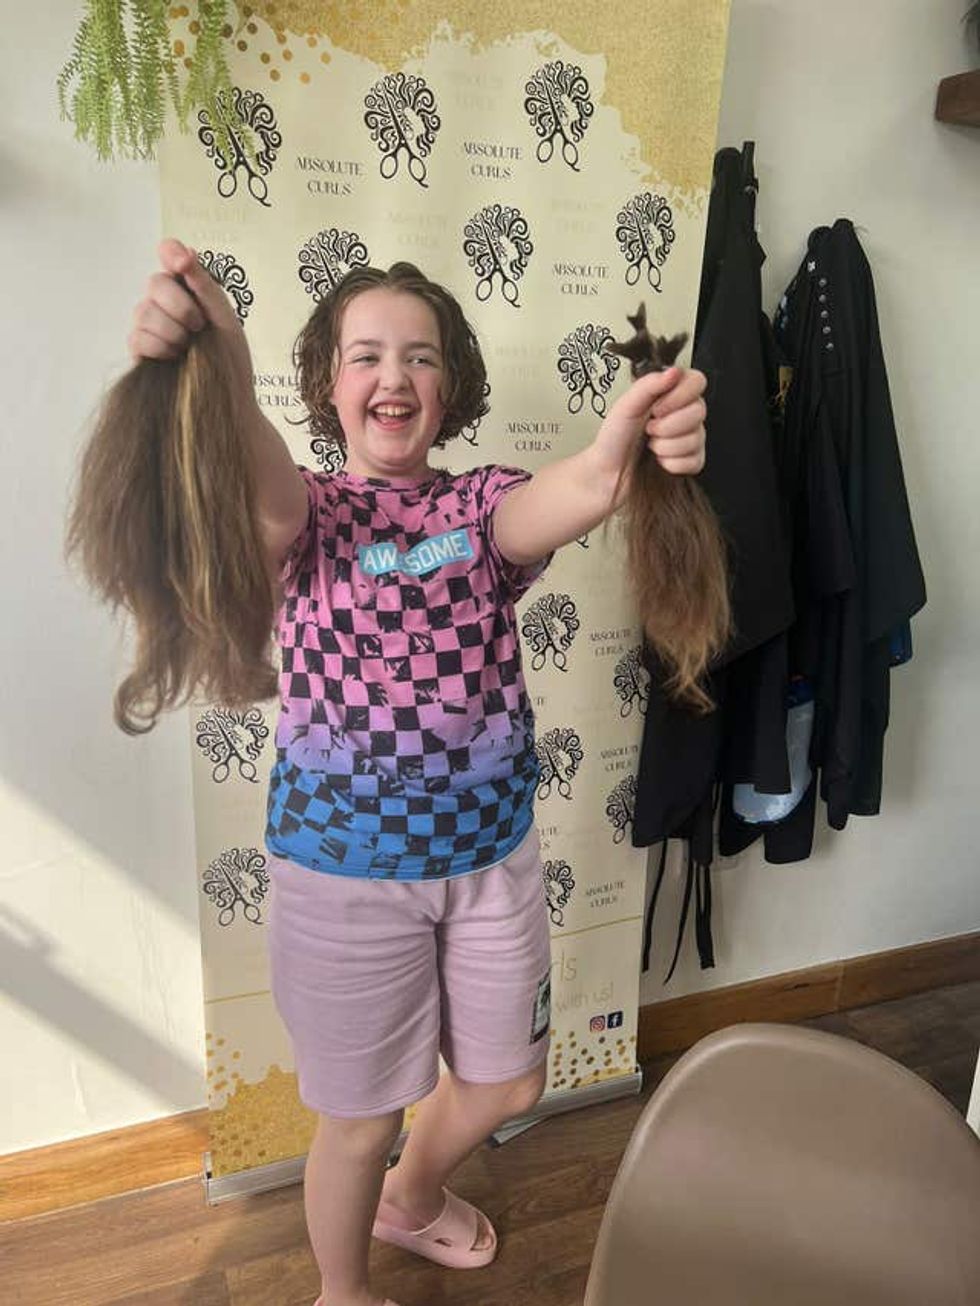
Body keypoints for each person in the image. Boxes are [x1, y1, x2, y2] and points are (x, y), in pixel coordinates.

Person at [128, 237, 708, 1306]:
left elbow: (572, 490)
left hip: (491, 860)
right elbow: (254, 472)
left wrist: (621, 437)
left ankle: (412, 1195)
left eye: (421, 356)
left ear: (451, 387)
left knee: (507, 1079)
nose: (394, 376)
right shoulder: (303, 516)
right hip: (345, 877)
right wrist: (221, 346)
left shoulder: (477, 507)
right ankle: (339, 1289)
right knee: (357, 1115)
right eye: (365, 356)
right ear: (325, 386)